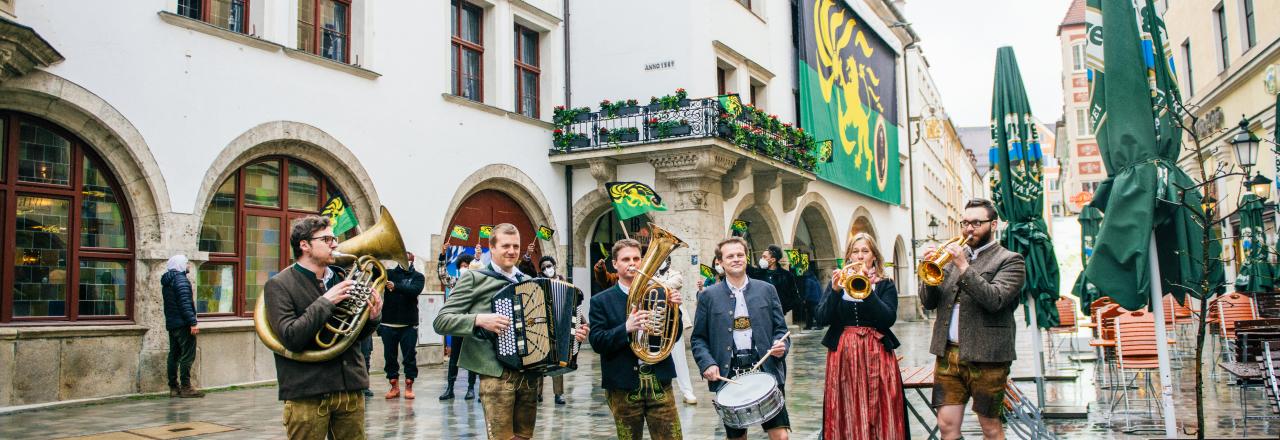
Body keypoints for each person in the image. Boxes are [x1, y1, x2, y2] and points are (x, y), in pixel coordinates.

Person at [433, 223, 589, 440]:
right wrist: (480, 319)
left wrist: (573, 336)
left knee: (524, 437)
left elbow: (547, 327)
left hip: (529, 376)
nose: (512, 251)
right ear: (492, 248)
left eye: (515, 246)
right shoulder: (473, 278)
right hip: (496, 375)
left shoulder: (529, 282)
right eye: (505, 246)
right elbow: (441, 321)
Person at [263, 216, 382, 439]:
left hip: (350, 388)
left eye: (334, 238)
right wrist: (326, 301)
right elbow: (291, 337)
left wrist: (372, 317)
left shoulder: (341, 277)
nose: (335, 244)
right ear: (304, 245)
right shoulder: (279, 285)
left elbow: (350, 335)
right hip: (308, 393)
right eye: (327, 239)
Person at [920, 198, 1026, 440]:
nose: (969, 229)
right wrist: (928, 273)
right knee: (946, 426)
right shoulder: (948, 258)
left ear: (994, 224)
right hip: (948, 354)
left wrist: (963, 266)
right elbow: (928, 303)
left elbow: (995, 299)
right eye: (965, 223)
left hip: (988, 356)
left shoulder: (1010, 260)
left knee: (990, 427)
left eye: (977, 223)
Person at [692, 237, 791, 440]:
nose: (736, 259)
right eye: (730, 256)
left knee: (781, 435)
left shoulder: (767, 290)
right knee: (737, 438)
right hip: (731, 373)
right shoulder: (708, 296)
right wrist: (707, 364)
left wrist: (781, 345)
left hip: (766, 369)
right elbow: (698, 339)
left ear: (746, 257)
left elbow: (781, 329)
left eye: (740, 255)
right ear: (719, 262)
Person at [589, 239, 685, 439]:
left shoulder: (660, 292)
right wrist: (626, 328)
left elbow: (673, 336)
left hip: (660, 380)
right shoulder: (601, 301)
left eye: (636, 258)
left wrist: (675, 312)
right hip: (623, 385)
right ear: (615, 264)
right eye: (625, 259)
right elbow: (597, 342)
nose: (632, 263)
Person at [816, 232, 907, 439]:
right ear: (848, 256)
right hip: (844, 356)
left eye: (865, 251)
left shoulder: (885, 284)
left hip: (877, 353)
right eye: (855, 252)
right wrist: (835, 291)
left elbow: (887, 319)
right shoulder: (837, 283)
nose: (859, 256)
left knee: (882, 406)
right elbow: (821, 318)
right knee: (845, 406)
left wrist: (868, 292)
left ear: (873, 256)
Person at [381, 251, 426, 400]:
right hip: (388, 322)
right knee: (390, 356)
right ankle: (394, 386)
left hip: (408, 323)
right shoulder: (389, 274)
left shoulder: (418, 277)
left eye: (409, 258)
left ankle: (409, 386)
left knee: (409, 356)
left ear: (413, 260)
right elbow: (374, 273)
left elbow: (414, 290)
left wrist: (396, 286)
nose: (406, 260)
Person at [162, 254, 204, 398]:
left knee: (173, 355)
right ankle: (186, 387)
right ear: (180, 265)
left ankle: (173, 387)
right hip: (183, 324)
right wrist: (192, 323)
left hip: (172, 324)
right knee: (187, 355)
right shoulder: (181, 281)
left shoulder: (168, 280)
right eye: (186, 263)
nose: (188, 266)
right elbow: (185, 304)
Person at [439, 253, 478, 401]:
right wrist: (442, 257)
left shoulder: (476, 282)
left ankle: (470, 388)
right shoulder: (456, 282)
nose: (464, 268)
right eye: (462, 266)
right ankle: (450, 388)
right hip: (458, 324)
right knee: (454, 357)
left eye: (467, 266)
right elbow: (443, 277)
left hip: (473, 323)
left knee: (472, 358)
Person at [534, 255, 570, 405]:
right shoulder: (540, 283)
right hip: (543, 326)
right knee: (540, 360)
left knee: (558, 361)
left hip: (560, 326)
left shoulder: (564, 282)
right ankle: (537, 393)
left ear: (554, 266)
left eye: (549, 266)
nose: (546, 269)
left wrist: (583, 322)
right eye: (543, 268)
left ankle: (558, 394)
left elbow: (571, 302)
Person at [751, 245, 800, 323]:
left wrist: (782, 308)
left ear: (773, 260)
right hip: (759, 315)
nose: (761, 259)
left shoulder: (786, 276)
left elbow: (794, 298)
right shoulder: (756, 273)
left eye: (764, 257)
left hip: (778, 316)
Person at [802, 264, 824, 330]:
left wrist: (805, 299)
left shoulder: (808, 280)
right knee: (813, 313)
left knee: (811, 313)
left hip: (811, 299)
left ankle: (813, 326)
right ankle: (813, 325)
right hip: (817, 299)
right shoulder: (815, 279)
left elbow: (807, 290)